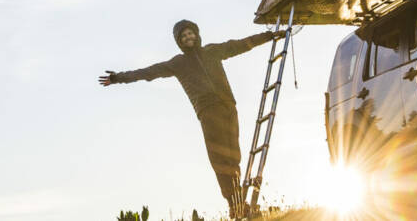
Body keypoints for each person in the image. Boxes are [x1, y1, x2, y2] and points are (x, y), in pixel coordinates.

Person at [99, 20, 283, 217]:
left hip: (228, 108)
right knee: (219, 159)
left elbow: (240, 44)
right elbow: (148, 72)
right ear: (179, 42)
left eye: (190, 34)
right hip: (208, 111)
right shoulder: (178, 64)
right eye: (183, 36)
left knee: (233, 155)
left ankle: (240, 202)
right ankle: (232, 203)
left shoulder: (213, 51)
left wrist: (269, 36)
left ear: (197, 34)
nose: (188, 38)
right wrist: (118, 77)